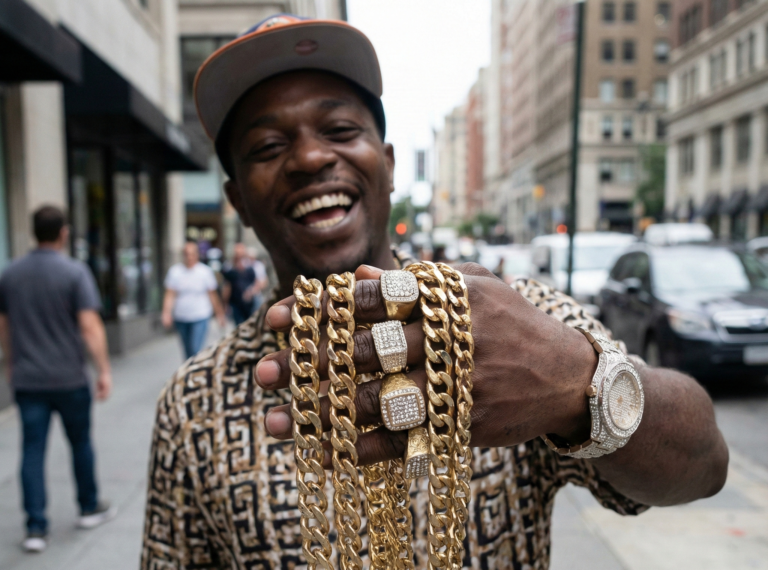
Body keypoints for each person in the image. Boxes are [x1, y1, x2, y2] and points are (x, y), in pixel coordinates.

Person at [141, 16, 728, 569]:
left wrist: (575, 382)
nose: (311, 158)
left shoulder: (507, 321)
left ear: (389, 165)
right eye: (268, 147)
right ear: (238, 201)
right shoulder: (194, 404)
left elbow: (705, 463)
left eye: (339, 130)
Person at [0, 206, 116, 553]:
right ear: (63, 233)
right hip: (69, 378)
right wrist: (103, 370)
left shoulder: (11, 274)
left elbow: (4, 326)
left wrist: (11, 363)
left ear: (34, 232)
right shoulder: (74, 272)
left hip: (28, 378)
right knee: (80, 442)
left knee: (32, 449)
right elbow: (90, 326)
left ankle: (35, 527)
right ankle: (88, 507)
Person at [161, 241, 226, 359]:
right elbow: (170, 294)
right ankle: (190, 368)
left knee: (195, 349)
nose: (189, 257)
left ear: (197, 255)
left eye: (192, 254)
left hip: (200, 316)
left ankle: (194, 368)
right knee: (187, 350)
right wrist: (166, 313)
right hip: (181, 317)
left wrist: (220, 314)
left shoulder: (205, 272)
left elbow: (213, 295)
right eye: (186, 254)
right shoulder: (175, 272)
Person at [221, 243, 264, 325]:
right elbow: (227, 286)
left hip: (250, 302)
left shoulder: (252, 265)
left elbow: (260, 282)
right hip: (235, 302)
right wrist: (225, 304)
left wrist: (250, 292)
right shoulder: (229, 266)